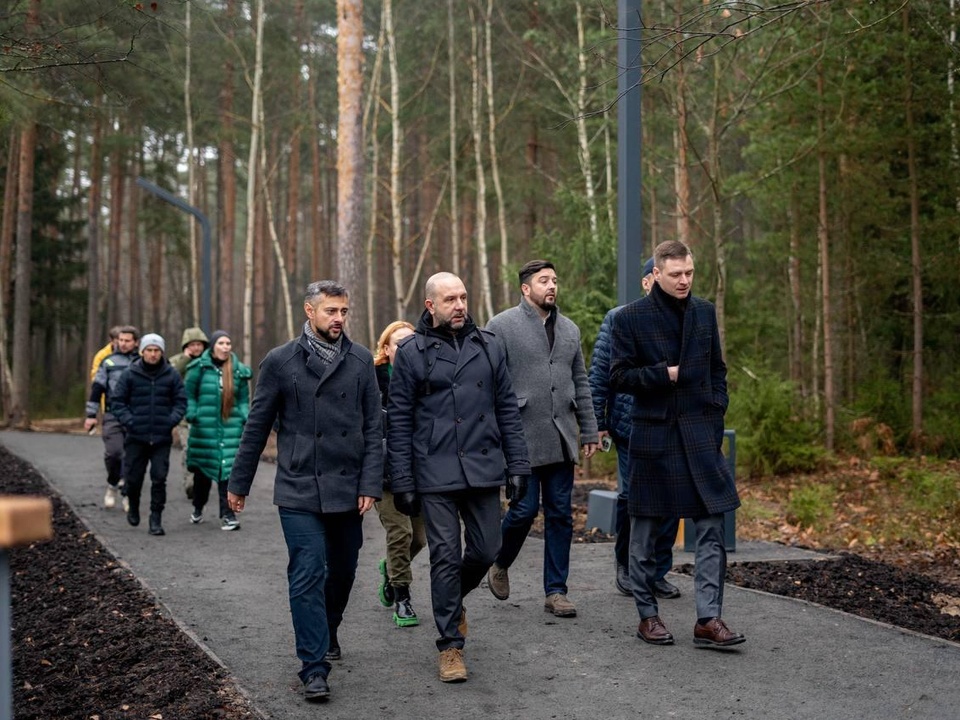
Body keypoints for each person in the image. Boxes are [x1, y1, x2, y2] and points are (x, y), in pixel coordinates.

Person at [227, 281, 382, 703]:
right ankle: (313, 667)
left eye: (344, 311)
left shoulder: (361, 360)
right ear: (309, 311)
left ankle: (328, 628)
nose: (339, 319)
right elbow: (257, 425)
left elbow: (374, 427)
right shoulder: (280, 361)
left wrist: (370, 483)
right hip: (297, 485)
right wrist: (237, 483)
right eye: (331, 311)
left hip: (348, 486)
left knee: (344, 570)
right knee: (307, 571)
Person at [386, 271, 530, 683]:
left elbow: (507, 410)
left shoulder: (489, 346)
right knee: (445, 556)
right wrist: (403, 482)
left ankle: (453, 600)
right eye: (450, 299)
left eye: (463, 297)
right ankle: (450, 645)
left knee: (487, 551)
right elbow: (399, 422)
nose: (460, 305)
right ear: (430, 305)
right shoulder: (412, 353)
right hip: (434, 472)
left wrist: (517, 466)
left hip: (483, 469)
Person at [610, 240, 744, 648]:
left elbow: (717, 369)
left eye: (689, 273)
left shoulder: (704, 311)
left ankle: (709, 618)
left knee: (711, 527)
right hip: (654, 435)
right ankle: (647, 615)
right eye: (675, 274)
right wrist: (664, 375)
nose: (684, 280)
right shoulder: (629, 318)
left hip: (701, 435)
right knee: (646, 532)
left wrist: (716, 407)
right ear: (657, 275)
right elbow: (618, 377)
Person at [484, 259, 598, 618]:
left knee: (561, 515)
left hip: (561, 435)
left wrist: (590, 429)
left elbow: (581, 381)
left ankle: (556, 591)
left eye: (554, 279)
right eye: (543, 280)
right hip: (520, 436)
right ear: (525, 289)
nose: (551, 286)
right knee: (523, 509)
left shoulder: (570, 330)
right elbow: (487, 380)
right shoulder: (501, 326)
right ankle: (500, 562)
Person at [589, 257, 681, 600]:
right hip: (632, 425)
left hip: (674, 425)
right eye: (666, 275)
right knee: (632, 497)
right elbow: (600, 374)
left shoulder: (685, 318)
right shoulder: (620, 319)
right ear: (647, 281)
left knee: (672, 498)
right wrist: (597, 423)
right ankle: (627, 565)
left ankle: (658, 571)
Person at [373, 320, 426, 627]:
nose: (406, 349)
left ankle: (390, 568)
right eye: (398, 344)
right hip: (383, 473)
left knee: (419, 539)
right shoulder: (372, 381)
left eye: (411, 343)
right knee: (400, 533)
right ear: (386, 349)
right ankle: (402, 599)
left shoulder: (427, 378)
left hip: (419, 473)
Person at [111, 333, 187, 537]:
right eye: (149, 350)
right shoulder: (130, 374)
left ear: (162, 352)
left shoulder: (171, 374)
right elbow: (117, 401)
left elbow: (181, 402)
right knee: (134, 479)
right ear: (142, 351)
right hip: (136, 436)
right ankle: (134, 506)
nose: (153, 354)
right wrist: (130, 421)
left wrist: (171, 420)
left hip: (161, 437)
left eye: (157, 350)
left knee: (159, 478)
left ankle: (156, 518)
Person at [184, 330, 251, 531]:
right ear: (213, 346)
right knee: (202, 476)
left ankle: (228, 515)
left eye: (228, 343)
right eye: (221, 343)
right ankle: (198, 507)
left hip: (230, 429)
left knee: (227, 473)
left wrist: (243, 416)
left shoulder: (238, 370)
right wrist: (193, 413)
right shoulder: (199, 368)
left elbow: (243, 400)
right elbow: (189, 394)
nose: (225, 347)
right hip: (204, 430)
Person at [85, 325, 140, 510]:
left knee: (131, 456)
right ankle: (112, 483)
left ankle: (127, 494)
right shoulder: (108, 362)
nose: (123, 344)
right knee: (114, 453)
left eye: (127, 341)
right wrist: (91, 415)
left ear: (135, 343)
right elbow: (97, 388)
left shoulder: (142, 362)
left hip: (136, 416)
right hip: (113, 414)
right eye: (121, 340)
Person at [169, 327, 210, 500]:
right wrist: (186, 359)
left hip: (207, 415)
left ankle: (203, 481)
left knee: (206, 450)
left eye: (199, 344)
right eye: (192, 344)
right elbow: (171, 377)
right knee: (188, 448)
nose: (196, 348)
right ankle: (190, 482)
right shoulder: (176, 361)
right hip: (185, 416)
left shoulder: (209, 360)